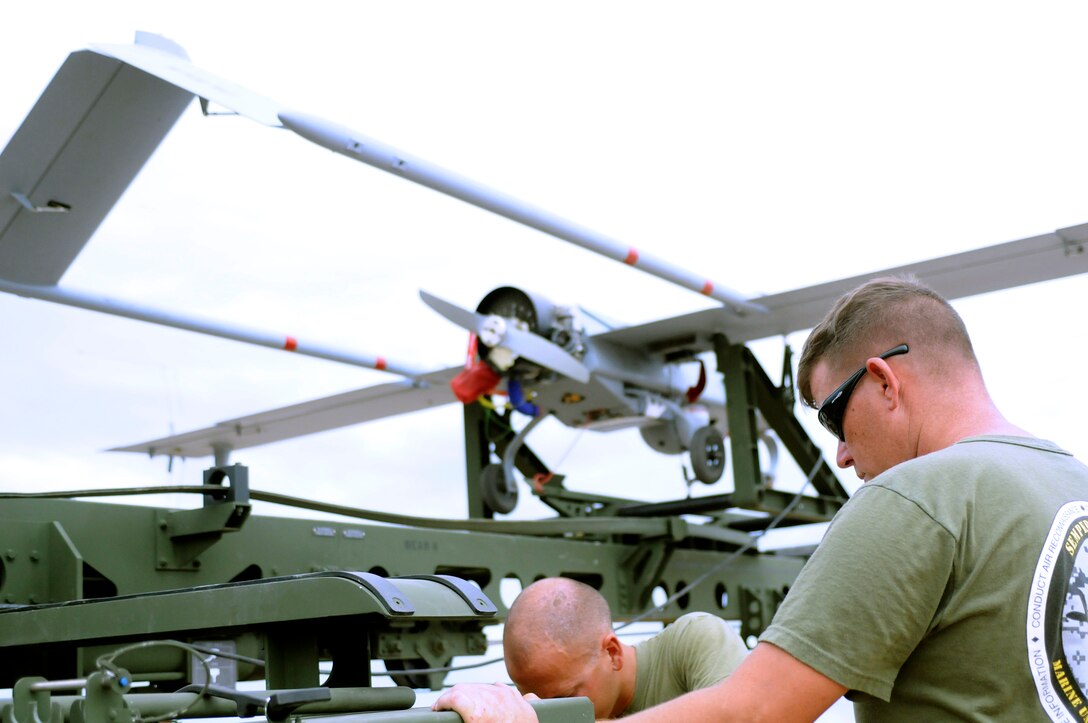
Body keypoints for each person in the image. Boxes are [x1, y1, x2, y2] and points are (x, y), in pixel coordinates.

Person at [434, 275, 1088, 722]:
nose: (842, 454)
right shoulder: (1072, 482)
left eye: (834, 416)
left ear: (885, 380)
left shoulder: (916, 494)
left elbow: (754, 710)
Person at [434, 577, 747, 720]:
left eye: (566, 698)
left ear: (611, 652)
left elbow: (745, 715)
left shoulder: (696, 640)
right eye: (535, 700)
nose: (553, 711)